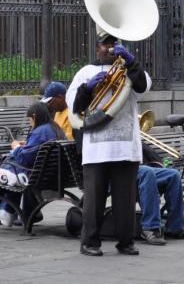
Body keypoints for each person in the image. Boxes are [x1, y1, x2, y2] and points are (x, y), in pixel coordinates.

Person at [66, 33, 151, 256]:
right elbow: (74, 108)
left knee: (126, 200)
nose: (110, 48)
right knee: (94, 201)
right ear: (97, 49)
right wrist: (87, 88)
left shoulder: (130, 70)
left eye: (114, 43)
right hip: (96, 148)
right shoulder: (85, 72)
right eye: (106, 44)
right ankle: (89, 243)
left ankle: (126, 242)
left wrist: (131, 61)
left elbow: (142, 85)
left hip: (125, 147)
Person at [0, 102, 65, 226]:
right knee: (9, 173)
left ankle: (6, 212)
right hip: (52, 175)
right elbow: (36, 149)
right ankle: (9, 212)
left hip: (32, 176)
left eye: (29, 120)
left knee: (8, 173)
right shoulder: (55, 128)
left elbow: (24, 158)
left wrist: (16, 147)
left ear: (34, 116)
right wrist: (26, 144)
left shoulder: (40, 131)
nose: (30, 123)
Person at [138, 143, 184, 245]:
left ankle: (175, 227)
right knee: (147, 172)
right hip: (121, 168)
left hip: (138, 167)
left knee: (173, 174)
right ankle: (150, 228)